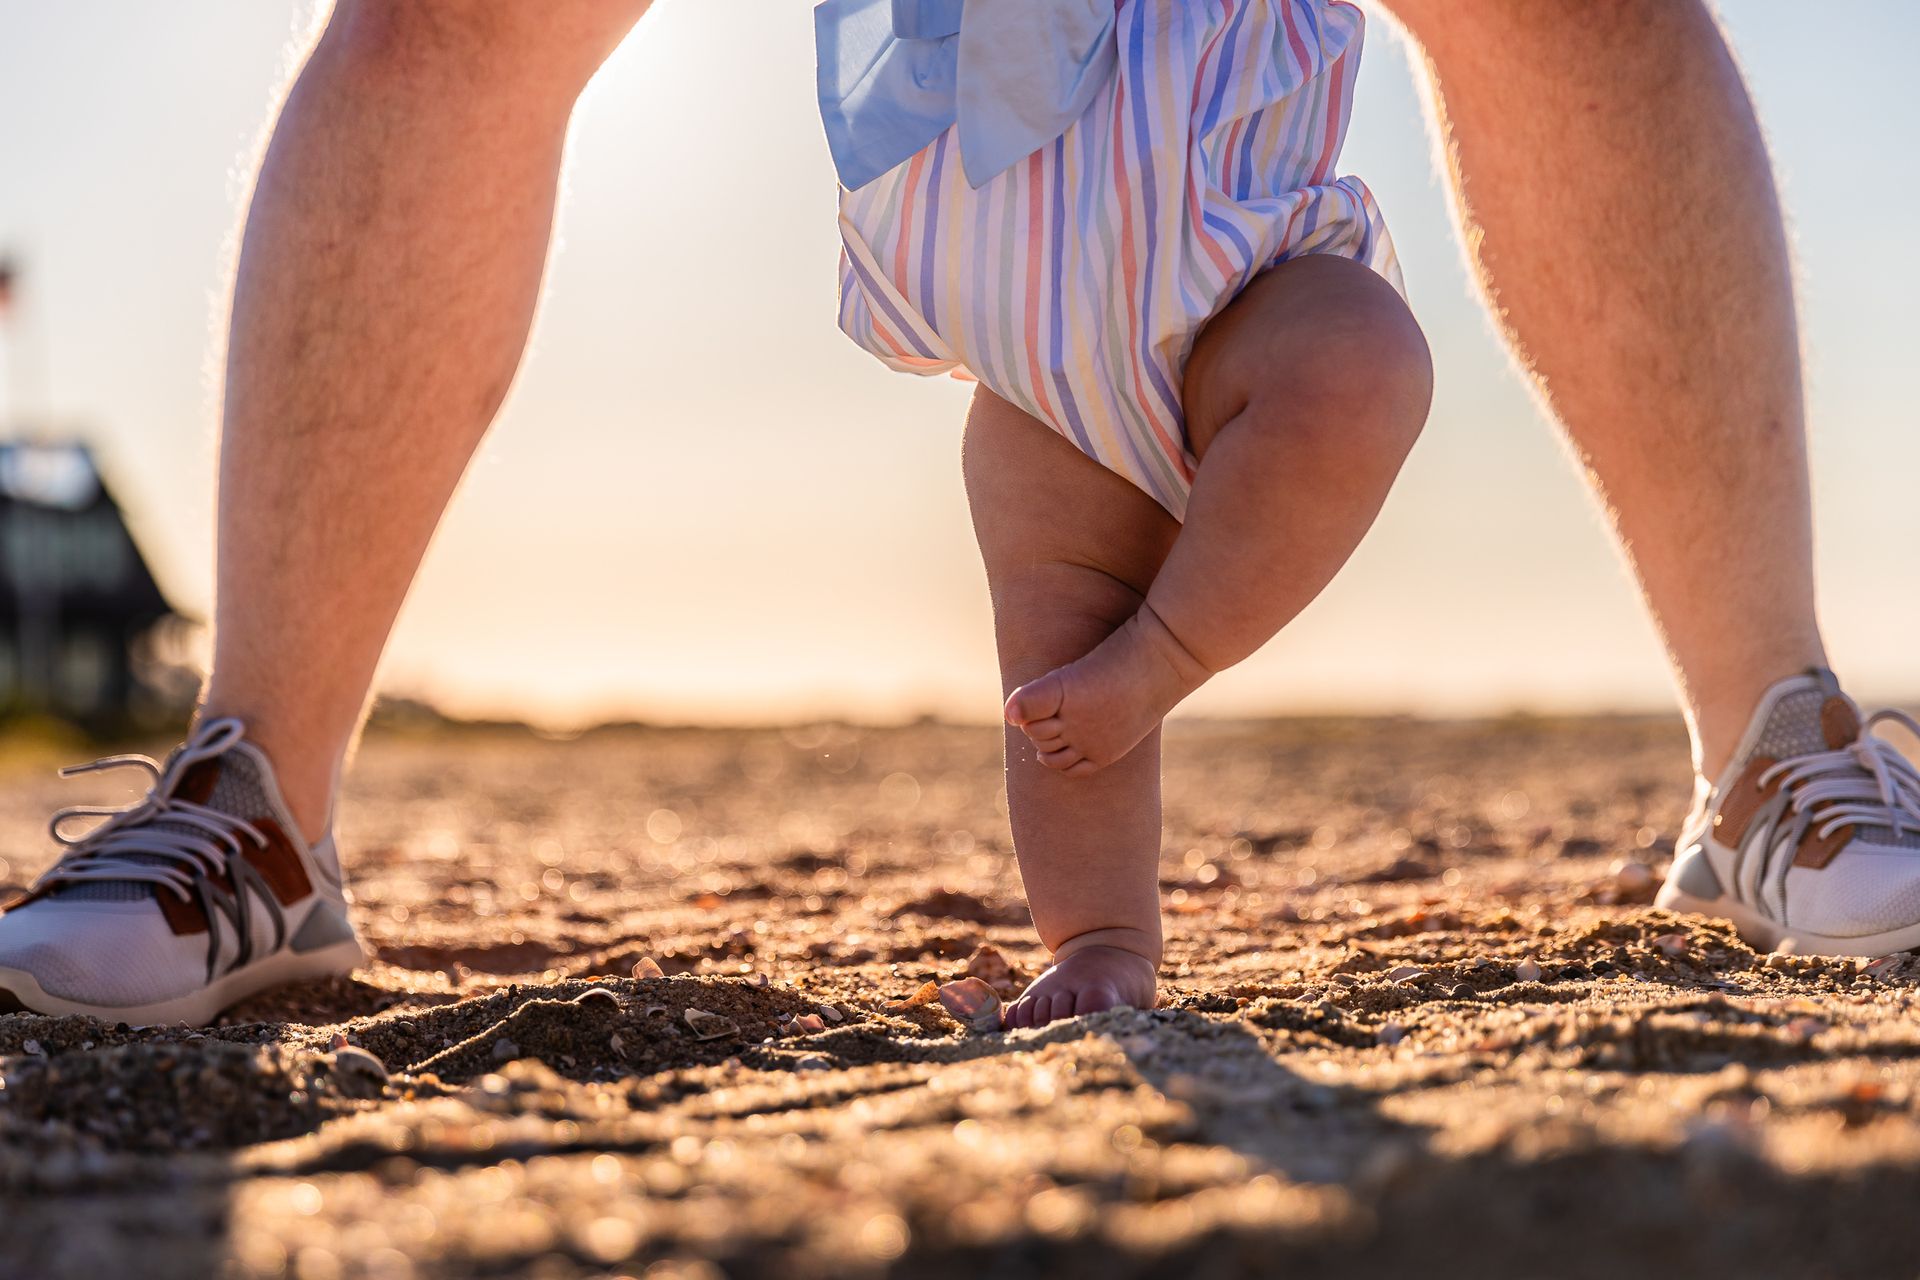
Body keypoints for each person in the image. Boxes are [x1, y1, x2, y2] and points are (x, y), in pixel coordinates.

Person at [0, 0, 1913, 1027]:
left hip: (1255, 249)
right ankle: (258, 805)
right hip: (1029, 323)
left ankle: (1772, 753)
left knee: (1461, 194)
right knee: (458, 9)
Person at [823, 0, 1430, 1025]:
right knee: (1056, 660)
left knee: (1361, 360)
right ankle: (1102, 930)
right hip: (1040, 352)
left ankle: (1162, 656)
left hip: (1252, 281)